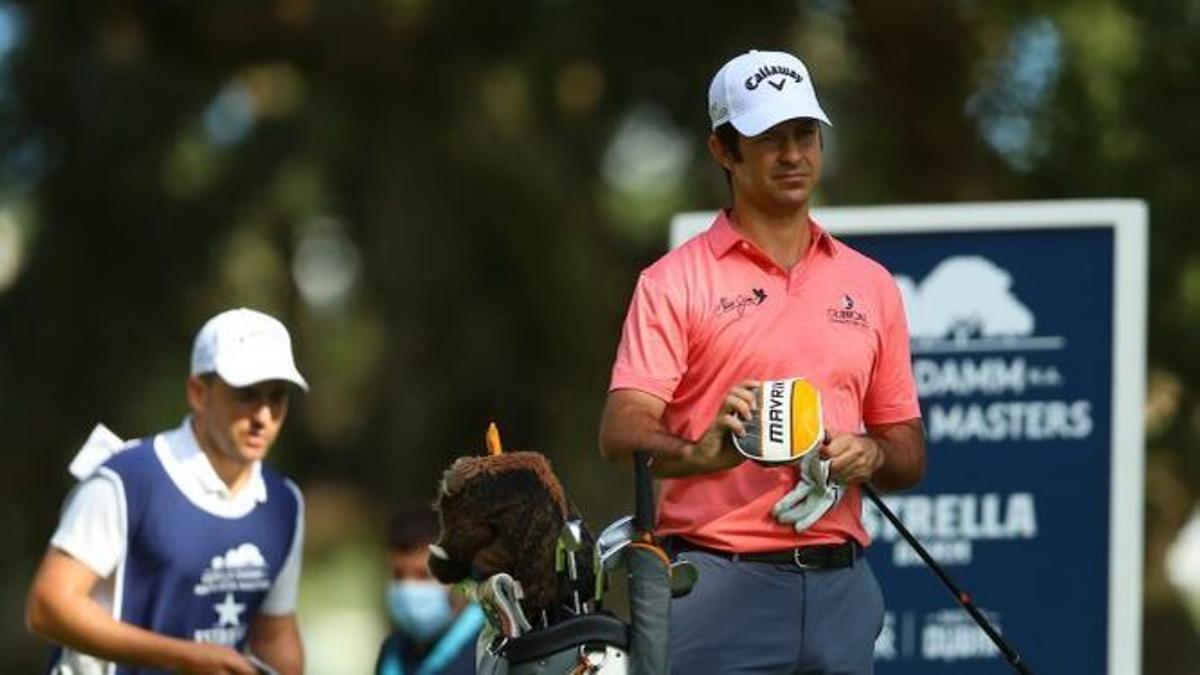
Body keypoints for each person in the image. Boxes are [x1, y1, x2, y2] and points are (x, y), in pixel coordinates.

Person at [598, 49, 926, 674]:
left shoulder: (873, 284)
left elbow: (907, 447)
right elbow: (620, 430)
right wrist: (699, 452)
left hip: (840, 586)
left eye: (805, 134)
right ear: (724, 150)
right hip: (716, 583)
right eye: (769, 138)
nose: (794, 154)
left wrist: (872, 454)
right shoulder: (674, 282)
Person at [26, 308, 310, 675]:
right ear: (198, 392)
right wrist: (184, 656)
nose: (263, 416)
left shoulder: (283, 503)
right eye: (246, 395)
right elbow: (47, 608)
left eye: (277, 398)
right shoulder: (127, 481)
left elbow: (274, 634)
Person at [375, 505, 483, 675]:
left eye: (424, 575)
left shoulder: (493, 649)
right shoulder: (393, 651)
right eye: (399, 575)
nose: (409, 587)